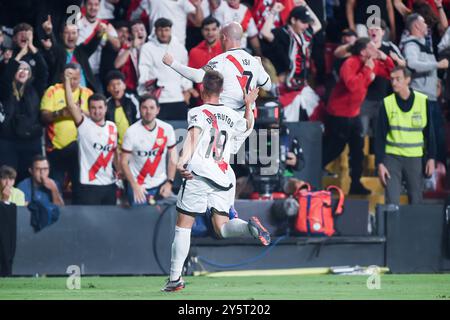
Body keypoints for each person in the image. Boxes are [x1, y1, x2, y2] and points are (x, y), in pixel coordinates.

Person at [162, 70, 271, 292]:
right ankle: (250, 229)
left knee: (183, 226)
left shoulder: (198, 111)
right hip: (223, 175)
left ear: (202, 89)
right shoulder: (232, 114)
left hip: (200, 172)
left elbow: (192, 136)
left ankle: (175, 279)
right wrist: (249, 104)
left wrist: (182, 162)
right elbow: (248, 126)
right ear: (222, 91)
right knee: (221, 228)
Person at [323, 38, 395, 195]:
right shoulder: (350, 63)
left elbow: (392, 72)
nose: (375, 47)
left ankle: (355, 183)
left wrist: (385, 58)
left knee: (358, 150)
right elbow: (352, 86)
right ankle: (313, 173)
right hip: (339, 114)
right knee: (334, 148)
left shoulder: (372, 63)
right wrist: (367, 71)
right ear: (363, 51)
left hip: (354, 113)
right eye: (371, 46)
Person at [375, 66, 436, 205]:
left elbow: (429, 133)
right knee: (392, 201)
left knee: (416, 200)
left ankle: (415, 227)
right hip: (392, 158)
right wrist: (380, 163)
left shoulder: (422, 101)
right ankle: (391, 227)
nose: (394, 83)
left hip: (414, 158)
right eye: (392, 79)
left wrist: (431, 157)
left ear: (408, 80)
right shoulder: (387, 103)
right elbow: (380, 136)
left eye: (398, 79)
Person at [64, 68, 119, 205]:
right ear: (89, 109)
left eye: (100, 107)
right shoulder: (84, 125)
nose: (97, 111)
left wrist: (120, 171)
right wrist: (66, 80)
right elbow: (71, 106)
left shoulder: (112, 127)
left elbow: (115, 152)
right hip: (88, 185)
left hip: (109, 184)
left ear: (106, 108)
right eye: (93, 108)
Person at [40, 63, 93, 203]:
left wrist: (80, 112)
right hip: (57, 149)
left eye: (76, 78)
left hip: (80, 151)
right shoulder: (53, 90)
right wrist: (61, 113)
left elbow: (97, 116)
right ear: (62, 77)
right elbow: (43, 116)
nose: (73, 82)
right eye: (69, 78)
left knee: (79, 187)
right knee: (56, 188)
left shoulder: (87, 93)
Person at [260, 2, 322, 121]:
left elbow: (318, 24)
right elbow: (265, 33)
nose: (306, 26)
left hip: (302, 86)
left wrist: (305, 5)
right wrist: (273, 12)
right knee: (287, 123)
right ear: (293, 20)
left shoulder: (305, 35)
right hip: (285, 88)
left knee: (317, 113)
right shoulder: (282, 33)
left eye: (307, 23)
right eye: (303, 22)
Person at [401, 13, 449, 167]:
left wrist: (437, 80)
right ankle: (423, 173)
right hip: (420, 98)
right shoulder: (411, 45)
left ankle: (436, 173)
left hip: (431, 98)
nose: (427, 26)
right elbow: (412, 64)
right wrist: (437, 65)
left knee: (437, 137)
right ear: (416, 26)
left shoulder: (424, 44)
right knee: (426, 138)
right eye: (424, 23)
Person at [0, 39, 47, 182]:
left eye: (26, 69)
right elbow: (7, 76)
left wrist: (33, 49)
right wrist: (19, 55)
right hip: (9, 140)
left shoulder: (35, 88)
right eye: (19, 69)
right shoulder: (5, 89)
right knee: (7, 177)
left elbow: (43, 70)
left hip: (31, 140)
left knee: (29, 179)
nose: (23, 72)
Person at [120, 95, 177, 206]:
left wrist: (169, 182)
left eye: (152, 108)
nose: (148, 111)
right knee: (140, 221)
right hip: (139, 186)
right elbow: (123, 162)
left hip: (161, 184)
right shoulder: (131, 132)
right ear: (140, 110)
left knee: (178, 211)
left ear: (157, 110)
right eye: (144, 108)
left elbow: (173, 158)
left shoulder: (167, 129)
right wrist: (134, 185)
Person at [138, 18, 193, 120]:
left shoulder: (180, 48)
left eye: (166, 30)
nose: (163, 33)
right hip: (158, 99)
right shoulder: (147, 48)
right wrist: (147, 89)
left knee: (180, 131)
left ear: (171, 30)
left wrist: (187, 89)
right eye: (160, 30)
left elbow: (185, 70)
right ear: (155, 31)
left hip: (177, 97)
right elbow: (144, 71)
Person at [40, 16, 103, 92]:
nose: (70, 36)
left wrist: (99, 33)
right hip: (62, 96)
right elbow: (53, 48)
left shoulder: (82, 51)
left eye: (74, 33)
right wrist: (49, 33)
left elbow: (93, 43)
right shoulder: (59, 51)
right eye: (67, 32)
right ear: (61, 35)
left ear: (78, 34)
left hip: (84, 96)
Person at [76, 0, 120, 93]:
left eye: (96, 5)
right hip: (78, 71)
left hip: (94, 74)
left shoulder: (105, 24)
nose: (93, 7)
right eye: (90, 4)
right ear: (84, 5)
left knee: (99, 101)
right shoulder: (77, 23)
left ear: (100, 6)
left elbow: (117, 45)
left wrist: (106, 32)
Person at [188, 16, 223, 106]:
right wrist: (189, 89)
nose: (210, 33)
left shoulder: (226, 50)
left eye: (213, 29)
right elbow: (189, 75)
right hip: (202, 102)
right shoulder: (194, 52)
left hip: (225, 100)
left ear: (219, 30)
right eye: (207, 29)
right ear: (202, 31)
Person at [114, 20, 147, 93]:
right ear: (131, 35)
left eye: (142, 29)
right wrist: (132, 47)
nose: (139, 32)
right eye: (136, 30)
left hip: (148, 88)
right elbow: (117, 65)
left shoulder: (151, 47)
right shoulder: (127, 47)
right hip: (130, 89)